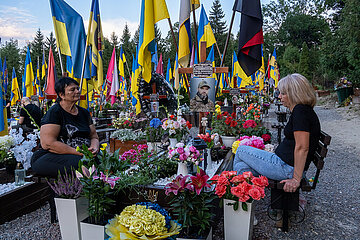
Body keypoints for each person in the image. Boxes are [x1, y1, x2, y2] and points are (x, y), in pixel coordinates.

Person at [233, 74, 320, 193]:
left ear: (294, 94)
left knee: (240, 150)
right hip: (285, 164)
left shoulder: (301, 112)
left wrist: (296, 179)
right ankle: (245, 196)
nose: (279, 96)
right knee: (240, 167)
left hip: (285, 167)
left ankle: (238, 197)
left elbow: (302, 147)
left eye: (283, 93)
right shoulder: (303, 111)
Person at [31, 77, 99, 177]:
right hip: (52, 156)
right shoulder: (55, 112)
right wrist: (79, 152)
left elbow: (94, 136)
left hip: (82, 154)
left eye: (77, 88)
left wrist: (94, 148)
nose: (77, 91)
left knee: (105, 161)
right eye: (72, 90)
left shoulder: (84, 112)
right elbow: (48, 144)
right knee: (84, 164)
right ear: (61, 95)